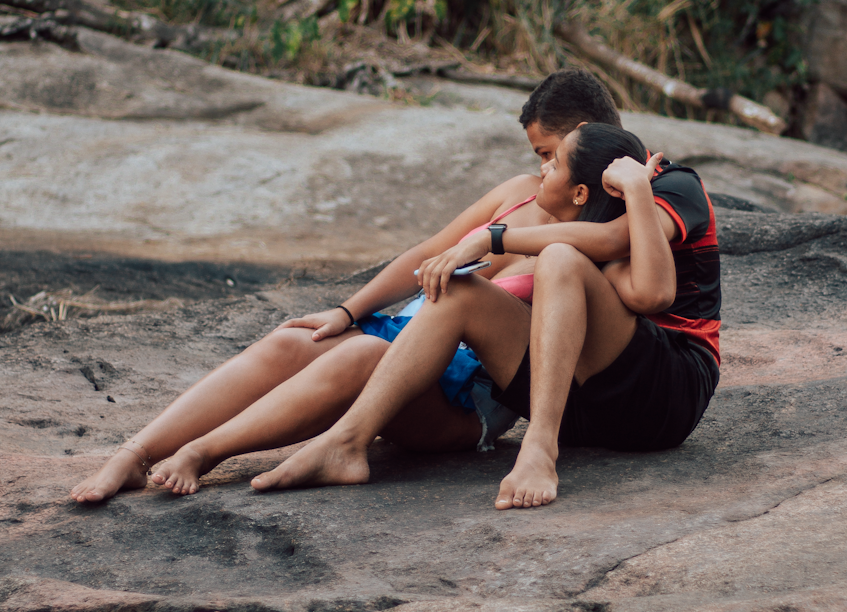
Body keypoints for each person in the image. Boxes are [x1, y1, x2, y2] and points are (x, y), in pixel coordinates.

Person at [69, 69, 622, 504]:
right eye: (539, 156)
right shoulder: (519, 192)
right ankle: (136, 452)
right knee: (296, 341)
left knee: (360, 356)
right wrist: (347, 309)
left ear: (590, 147)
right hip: (405, 335)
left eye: (551, 156)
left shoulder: (598, 237)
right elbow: (426, 253)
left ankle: (203, 453)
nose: (543, 168)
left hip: (465, 396)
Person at [249, 124, 721, 510]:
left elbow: (653, 291)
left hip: (666, 395)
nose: (541, 168)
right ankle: (347, 442)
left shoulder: (674, 184)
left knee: (559, 257)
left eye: (551, 158)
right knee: (461, 292)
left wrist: (635, 186)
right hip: (585, 407)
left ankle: (539, 446)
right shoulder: (588, 226)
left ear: (582, 188)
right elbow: (605, 241)